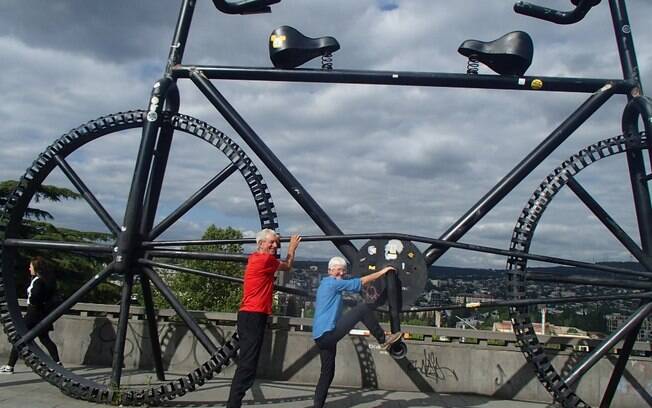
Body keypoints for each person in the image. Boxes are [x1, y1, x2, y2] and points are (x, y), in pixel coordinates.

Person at [312, 256, 403, 408]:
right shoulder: (333, 284)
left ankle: (317, 406)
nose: (341, 273)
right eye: (338, 270)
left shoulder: (326, 284)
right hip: (328, 333)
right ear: (330, 271)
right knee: (362, 309)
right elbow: (360, 282)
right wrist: (384, 271)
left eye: (343, 271)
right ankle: (383, 340)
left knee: (327, 373)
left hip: (321, 336)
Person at [226, 229, 301, 408]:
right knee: (248, 364)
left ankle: (234, 403)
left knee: (248, 362)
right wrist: (292, 247)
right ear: (260, 244)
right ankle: (233, 404)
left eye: (277, 243)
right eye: (271, 243)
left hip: (249, 315)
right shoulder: (266, 260)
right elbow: (288, 266)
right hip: (253, 315)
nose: (275, 246)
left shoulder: (254, 257)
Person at [0, 256, 61, 374]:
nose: (29, 268)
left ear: (36, 268)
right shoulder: (45, 280)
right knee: (45, 339)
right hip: (41, 314)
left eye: (30, 266)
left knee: (20, 337)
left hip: (32, 314)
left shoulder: (38, 281)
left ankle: (10, 366)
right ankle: (58, 363)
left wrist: (32, 299)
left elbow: (34, 297)